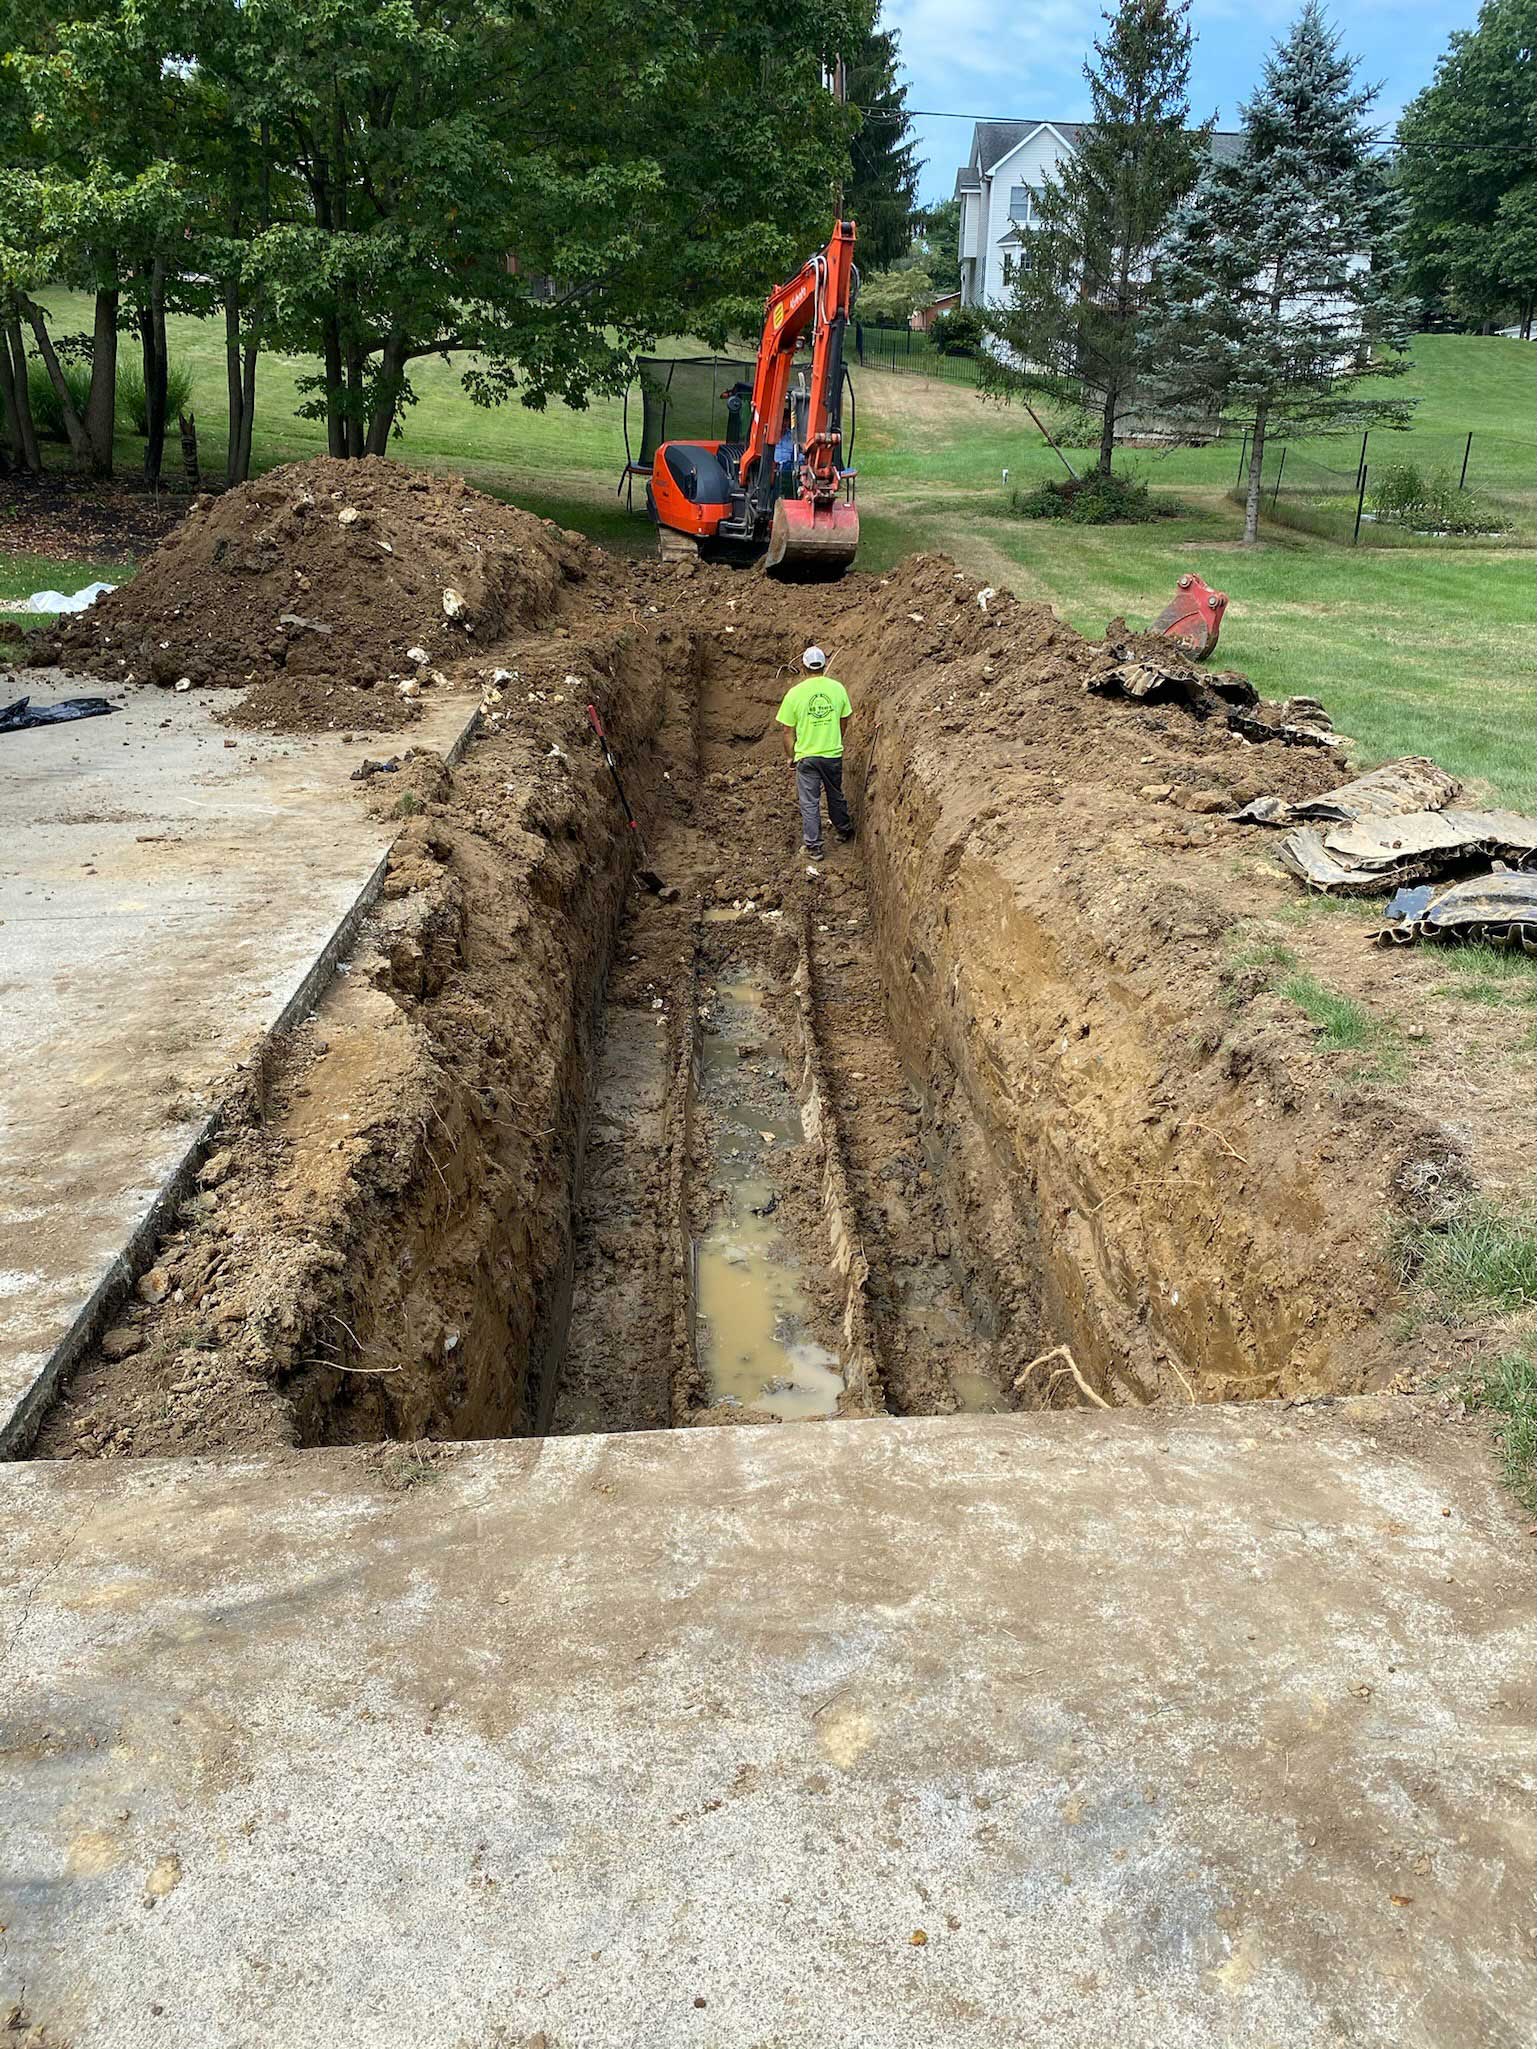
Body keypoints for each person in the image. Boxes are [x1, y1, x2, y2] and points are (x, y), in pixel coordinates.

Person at [776, 647, 854, 859]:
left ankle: (814, 847)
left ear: (803, 667)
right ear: (824, 665)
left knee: (809, 801)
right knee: (834, 793)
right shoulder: (837, 689)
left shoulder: (795, 694)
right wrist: (836, 738)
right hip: (832, 754)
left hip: (807, 757)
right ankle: (844, 830)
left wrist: (791, 755)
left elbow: (787, 730)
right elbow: (844, 718)